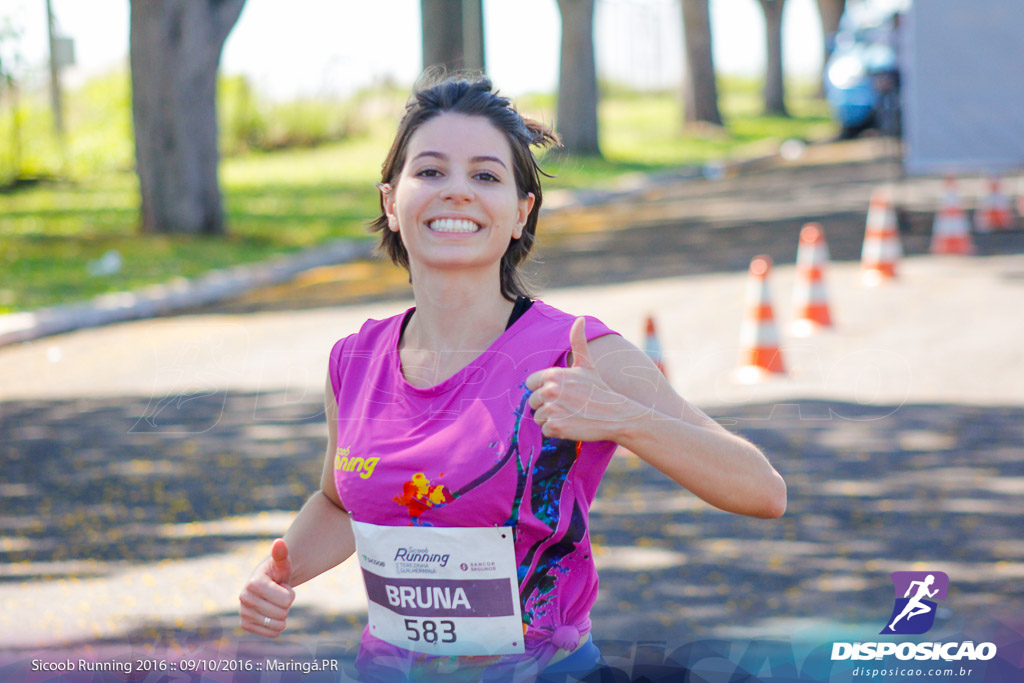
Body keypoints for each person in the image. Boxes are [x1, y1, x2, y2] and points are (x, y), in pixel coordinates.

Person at [238, 74, 787, 681]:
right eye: (430, 172)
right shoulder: (354, 359)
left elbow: (762, 490)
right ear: (392, 203)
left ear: (521, 212)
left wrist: (625, 418)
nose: (456, 192)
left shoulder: (578, 351)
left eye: (486, 176)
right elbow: (341, 504)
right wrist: (280, 571)